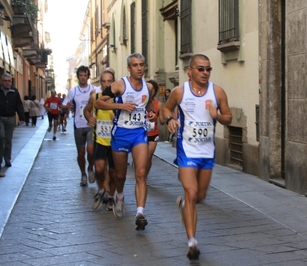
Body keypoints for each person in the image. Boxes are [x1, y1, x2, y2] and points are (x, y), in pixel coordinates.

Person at [161, 54, 232, 260]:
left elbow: (227, 118)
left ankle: (184, 204)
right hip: (187, 151)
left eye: (208, 69)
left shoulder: (217, 91)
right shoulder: (180, 91)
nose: (205, 73)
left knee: (200, 196)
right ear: (189, 71)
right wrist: (169, 119)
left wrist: (216, 114)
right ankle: (192, 243)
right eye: (200, 69)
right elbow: (166, 108)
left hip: (207, 152)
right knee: (191, 193)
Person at [95, 53, 155, 230]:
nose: (139, 68)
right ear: (129, 68)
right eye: (135, 65)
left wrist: (150, 113)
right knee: (120, 175)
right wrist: (120, 106)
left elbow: (148, 105)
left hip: (139, 133)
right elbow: (99, 103)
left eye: (141, 65)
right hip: (120, 133)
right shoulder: (120, 84)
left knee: (141, 173)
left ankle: (140, 213)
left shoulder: (148, 87)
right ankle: (119, 196)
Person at [84, 68, 116, 211]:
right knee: (100, 168)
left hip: (116, 141)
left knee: (114, 172)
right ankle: (102, 189)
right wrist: (89, 117)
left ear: (113, 82)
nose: (106, 84)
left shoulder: (119, 98)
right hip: (99, 139)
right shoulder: (95, 97)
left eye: (109, 81)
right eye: (103, 81)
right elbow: (86, 110)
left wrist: (118, 118)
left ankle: (111, 196)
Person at [62, 65, 96, 186]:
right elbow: (64, 104)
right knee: (81, 154)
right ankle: (83, 174)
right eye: (80, 75)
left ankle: (91, 167)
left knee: (91, 151)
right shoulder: (73, 91)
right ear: (78, 77)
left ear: (88, 76)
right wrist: (65, 106)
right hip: (79, 126)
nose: (83, 77)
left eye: (85, 75)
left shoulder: (94, 89)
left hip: (91, 125)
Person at [0, 73, 25, 167]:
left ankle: (7, 159)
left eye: (9, 81)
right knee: (1, 137)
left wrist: (21, 117)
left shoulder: (14, 91)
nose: (7, 83)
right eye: (5, 81)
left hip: (10, 118)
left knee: (8, 140)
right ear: (1, 81)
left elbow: (19, 105)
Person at [145, 80, 163, 185]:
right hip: (141, 134)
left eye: (152, 90)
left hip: (153, 133)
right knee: (142, 156)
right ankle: (141, 172)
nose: (150, 92)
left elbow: (162, 121)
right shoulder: (140, 102)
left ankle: (145, 175)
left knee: (149, 155)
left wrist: (159, 117)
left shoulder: (158, 104)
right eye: (148, 90)